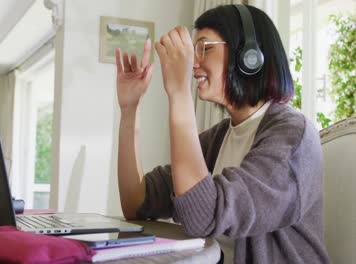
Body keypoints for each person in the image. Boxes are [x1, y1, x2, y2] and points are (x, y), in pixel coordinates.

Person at [115, 4, 330, 264]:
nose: (193, 63)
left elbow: (201, 217)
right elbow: (136, 203)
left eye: (204, 48)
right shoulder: (217, 138)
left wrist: (179, 92)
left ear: (248, 56)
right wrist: (129, 110)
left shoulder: (293, 136)